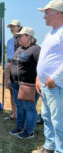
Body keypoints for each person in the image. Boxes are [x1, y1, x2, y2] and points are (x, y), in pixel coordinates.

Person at [33, 1, 63, 153]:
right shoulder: (49, 33)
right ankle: (50, 147)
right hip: (46, 85)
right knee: (47, 117)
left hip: (56, 86)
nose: (44, 16)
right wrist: (39, 78)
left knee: (59, 122)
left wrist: (53, 79)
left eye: (46, 12)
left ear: (57, 12)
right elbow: (44, 57)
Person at [9, 27, 40, 139]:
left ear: (28, 36)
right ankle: (20, 127)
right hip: (16, 84)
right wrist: (10, 80)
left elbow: (40, 68)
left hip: (28, 85)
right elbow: (14, 65)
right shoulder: (19, 48)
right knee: (20, 106)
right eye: (17, 36)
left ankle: (29, 131)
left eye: (20, 36)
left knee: (29, 107)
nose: (18, 38)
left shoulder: (36, 50)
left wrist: (38, 81)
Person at [4, 20, 22, 120]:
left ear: (19, 27)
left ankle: (21, 114)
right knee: (11, 90)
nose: (12, 28)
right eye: (10, 27)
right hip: (9, 65)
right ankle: (14, 113)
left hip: (18, 66)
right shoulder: (10, 41)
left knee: (19, 90)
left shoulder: (22, 39)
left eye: (13, 26)